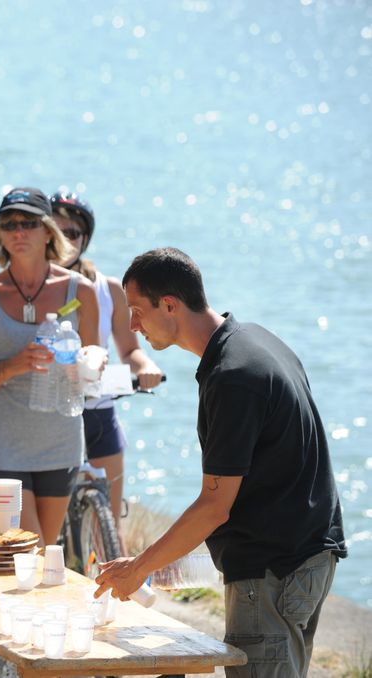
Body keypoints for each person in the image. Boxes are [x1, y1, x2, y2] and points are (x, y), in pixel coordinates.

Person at [95, 247, 347, 677]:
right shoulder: (256, 340)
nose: (132, 326)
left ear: (170, 305)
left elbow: (215, 505)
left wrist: (139, 569)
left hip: (273, 572)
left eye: (137, 311)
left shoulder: (233, 377)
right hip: (310, 555)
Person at [0, 187, 100, 547]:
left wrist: (90, 363)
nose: (18, 232)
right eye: (9, 223)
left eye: (28, 223)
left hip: (60, 440)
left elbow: (93, 358)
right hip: (0, 445)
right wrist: (12, 367)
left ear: (49, 231)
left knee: (44, 552)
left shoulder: (81, 292)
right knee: (25, 546)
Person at [51, 190, 163, 541]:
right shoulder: (32, 288)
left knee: (110, 526)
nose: (65, 239)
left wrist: (146, 366)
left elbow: (130, 349)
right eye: (57, 230)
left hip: (98, 409)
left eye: (73, 233)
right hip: (49, 413)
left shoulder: (108, 288)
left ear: (85, 239)